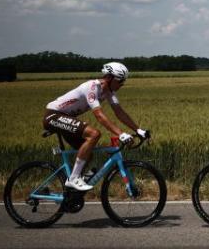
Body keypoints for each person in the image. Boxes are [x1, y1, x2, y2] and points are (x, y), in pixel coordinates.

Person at [43, 62, 148, 191]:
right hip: (53, 116)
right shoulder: (92, 87)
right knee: (94, 134)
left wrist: (138, 130)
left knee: (88, 153)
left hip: (65, 118)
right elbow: (99, 115)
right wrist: (120, 134)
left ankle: (72, 190)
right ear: (109, 78)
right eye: (120, 81)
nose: (122, 85)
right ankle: (74, 178)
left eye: (123, 82)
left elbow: (119, 113)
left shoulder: (109, 92)